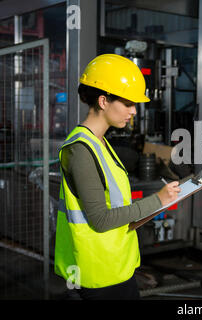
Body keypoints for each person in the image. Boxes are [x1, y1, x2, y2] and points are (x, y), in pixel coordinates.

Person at [54, 54, 181, 300]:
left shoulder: (100, 143)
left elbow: (116, 207)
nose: (134, 111)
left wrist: (157, 204)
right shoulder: (80, 150)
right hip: (98, 274)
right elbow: (100, 219)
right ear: (103, 101)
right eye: (128, 103)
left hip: (114, 266)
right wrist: (158, 200)